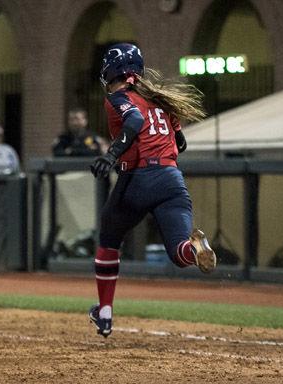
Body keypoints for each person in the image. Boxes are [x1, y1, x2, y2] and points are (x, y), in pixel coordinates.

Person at [88, 43, 217, 338]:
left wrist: (111, 155)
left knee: (109, 239)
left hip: (138, 177)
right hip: (172, 179)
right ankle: (196, 248)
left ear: (112, 70)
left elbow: (134, 120)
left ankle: (105, 312)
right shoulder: (160, 100)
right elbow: (180, 143)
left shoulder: (118, 97)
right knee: (178, 252)